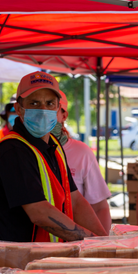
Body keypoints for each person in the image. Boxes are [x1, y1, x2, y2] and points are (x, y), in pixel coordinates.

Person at [0, 71, 108, 242]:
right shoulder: (12, 151)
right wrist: (90, 240)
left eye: (50, 103)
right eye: (34, 103)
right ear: (19, 109)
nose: (43, 110)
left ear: (59, 108)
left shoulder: (53, 146)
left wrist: (103, 241)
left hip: (41, 259)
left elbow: (75, 200)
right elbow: (39, 212)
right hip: (10, 262)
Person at [50, 90, 113, 234]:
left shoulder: (81, 152)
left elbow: (99, 207)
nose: (43, 114)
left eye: (51, 107)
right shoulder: (21, 152)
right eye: (36, 106)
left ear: (64, 115)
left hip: (75, 245)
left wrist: (102, 244)